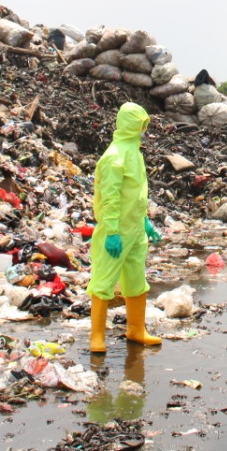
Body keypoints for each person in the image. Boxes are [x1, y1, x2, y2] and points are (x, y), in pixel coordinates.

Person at [87, 102, 163, 353]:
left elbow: (136, 194)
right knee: (104, 281)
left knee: (136, 280)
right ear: (131, 125)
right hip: (116, 232)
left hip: (134, 229)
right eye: (141, 125)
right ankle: (97, 337)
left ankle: (136, 330)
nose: (143, 130)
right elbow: (110, 197)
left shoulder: (135, 153)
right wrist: (110, 231)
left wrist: (145, 222)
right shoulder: (115, 157)